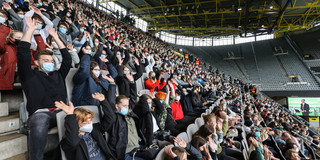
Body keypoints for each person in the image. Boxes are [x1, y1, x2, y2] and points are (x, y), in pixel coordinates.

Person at [17, 17, 71, 160]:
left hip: (62, 111)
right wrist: (30, 30)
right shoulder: (29, 75)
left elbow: (67, 59)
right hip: (42, 114)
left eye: (51, 61)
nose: (49, 63)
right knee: (40, 121)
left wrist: (55, 36)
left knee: (82, 119)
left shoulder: (59, 74)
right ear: (36, 62)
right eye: (45, 60)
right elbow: (22, 54)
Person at [56, 93, 115, 160]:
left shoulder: (95, 129)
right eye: (85, 123)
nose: (89, 124)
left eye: (90, 121)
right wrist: (70, 115)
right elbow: (73, 142)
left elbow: (111, 119)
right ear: (76, 123)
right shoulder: (69, 140)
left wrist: (103, 101)